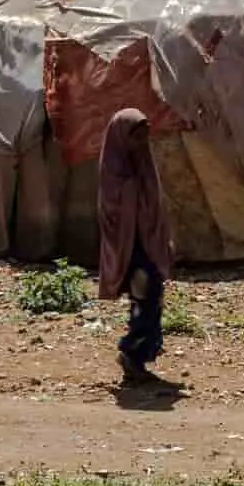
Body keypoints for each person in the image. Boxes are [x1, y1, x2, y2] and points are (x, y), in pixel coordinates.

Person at [97, 109, 175, 388]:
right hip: (129, 249)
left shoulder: (144, 164)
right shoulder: (115, 170)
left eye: (144, 136)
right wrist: (133, 191)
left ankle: (138, 356)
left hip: (148, 245)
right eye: (136, 137)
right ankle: (132, 354)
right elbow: (112, 213)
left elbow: (156, 208)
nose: (142, 143)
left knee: (151, 300)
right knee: (144, 299)